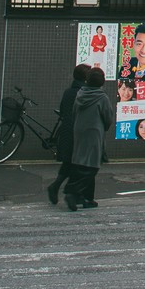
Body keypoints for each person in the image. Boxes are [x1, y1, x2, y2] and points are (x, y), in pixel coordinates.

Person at [63, 65, 113, 211]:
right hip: (94, 133)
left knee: (80, 163)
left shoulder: (80, 94)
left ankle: (87, 198)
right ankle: (72, 192)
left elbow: (74, 111)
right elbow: (108, 117)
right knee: (92, 166)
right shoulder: (101, 97)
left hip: (79, 131)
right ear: (102, 82)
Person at [47, 63, 88, 205]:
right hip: (79, 132)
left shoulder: (68, 92)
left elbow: (62, 109)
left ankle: (56, 186)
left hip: (66, 131)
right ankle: (71, 193)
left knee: (69, 162)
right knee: (79, 164)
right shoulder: (84, 93)